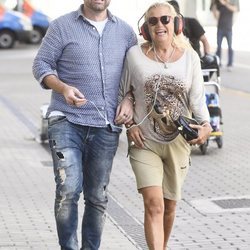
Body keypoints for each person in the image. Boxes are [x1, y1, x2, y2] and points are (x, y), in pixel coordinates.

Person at [32, 0, 137, 249]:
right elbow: (41, 65)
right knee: (68, 189)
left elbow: (135, 74)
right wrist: (63, 87)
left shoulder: (125, 31)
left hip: (106, 125)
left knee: (97, 197)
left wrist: (129, 99)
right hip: (67, 119)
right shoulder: (61, 26)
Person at [117, 2, 212, 249]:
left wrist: (206, 126)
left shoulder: (190, 57)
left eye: (165, 20)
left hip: (178, 142)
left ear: (176, 23)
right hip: (144, 141)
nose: (160, 25)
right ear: (145, 28)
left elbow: (198, 100)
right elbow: (122, 93)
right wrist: (130, 126)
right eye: (153, 21)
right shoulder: (134, 55)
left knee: (169, 207)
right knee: (154, 204)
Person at [210, 0, 239, 70]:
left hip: (228, 29)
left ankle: (230, 64)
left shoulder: (230, 4)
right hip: (220, 28)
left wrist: (225, 3)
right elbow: (216, 16)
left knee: (230, 47)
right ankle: (218, 63)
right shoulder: (219, 5)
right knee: (219, 47)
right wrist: (214, 7)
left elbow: (235, 9)